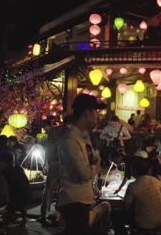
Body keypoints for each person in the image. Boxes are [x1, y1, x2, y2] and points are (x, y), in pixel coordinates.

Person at [57, 94, 111, 235]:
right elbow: (84, 173)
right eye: (95, 112)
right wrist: (96, 164)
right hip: (74, 201)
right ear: (86, 113)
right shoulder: (70, 140)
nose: (97, 116)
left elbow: (93, 162)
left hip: (82, 199)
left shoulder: (84, 136)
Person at [112, 157, 161, 235]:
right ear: (149, 170)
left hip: (144, 223)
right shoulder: (154, 180)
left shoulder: (133, 186)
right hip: (160, 220)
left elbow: (125, 207)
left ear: (134, 172)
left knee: (116, 214)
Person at [38, 115, 74, 226]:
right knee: (64, 189)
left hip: (54, 162)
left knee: (48, 189)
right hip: (66, 164)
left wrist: (45, 161)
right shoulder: (72, 132)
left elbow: (48, 147)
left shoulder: (54, 130)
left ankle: (44, 215)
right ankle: (61, 216)